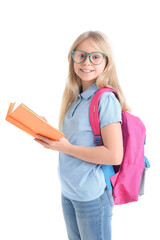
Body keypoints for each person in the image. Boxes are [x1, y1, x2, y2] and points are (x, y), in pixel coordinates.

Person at [35, 31, 130, 240]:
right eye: (81, 55)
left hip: (91, 196)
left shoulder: (105, 100)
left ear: (106, 62)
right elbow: (76, 140)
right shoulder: (76, 98)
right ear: (73, 57)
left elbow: (114, 155)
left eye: (95, 57)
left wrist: (64, 148)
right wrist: (46, 130)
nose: (87, 62)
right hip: (69, 192)